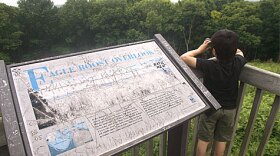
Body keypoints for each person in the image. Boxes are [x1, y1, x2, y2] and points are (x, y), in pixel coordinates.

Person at [180, 29, 247, 156]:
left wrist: (200, 49)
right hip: (229, 110)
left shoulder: (209, 65)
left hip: (211, 109)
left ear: (214, 50)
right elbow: (240, 52)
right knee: (221, 139)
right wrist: (230, 48)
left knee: (204, 139)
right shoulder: (238, 62)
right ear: (234, 50)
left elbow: (184, 57)